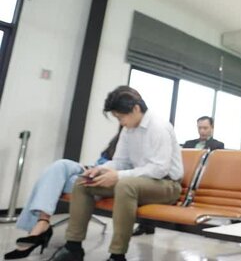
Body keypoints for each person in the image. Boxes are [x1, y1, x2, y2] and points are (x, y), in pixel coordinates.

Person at [49, 86, 183, 261]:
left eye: (121, 117)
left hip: (166, 185)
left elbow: (159, 169)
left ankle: (117, 255)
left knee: (125, 184)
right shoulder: (128, 130)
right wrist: (102, 169)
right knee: (83, 183)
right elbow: (120, 161)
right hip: (138, 183)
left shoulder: (159, 127)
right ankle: (73, 247)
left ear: (135, 109)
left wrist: (118, 175)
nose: (120, 122)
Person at [3, 132, 120, 260]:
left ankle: (39, 230)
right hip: (95, 171)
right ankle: (43, 222)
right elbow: (102, 161)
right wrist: (92, 169)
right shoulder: (123, 135)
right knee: (60, 165)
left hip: (112, 179)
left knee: (53, 181)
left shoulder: (141, 135)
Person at [131, 115, 225, 237]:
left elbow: (215, 166)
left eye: (205, 128)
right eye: (199, 128)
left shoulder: (218, 145)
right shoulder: (188, 143)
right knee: (151, 186)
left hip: (203, 179)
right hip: (184, 176)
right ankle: (146, 225)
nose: (202, 131)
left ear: (212, 128)